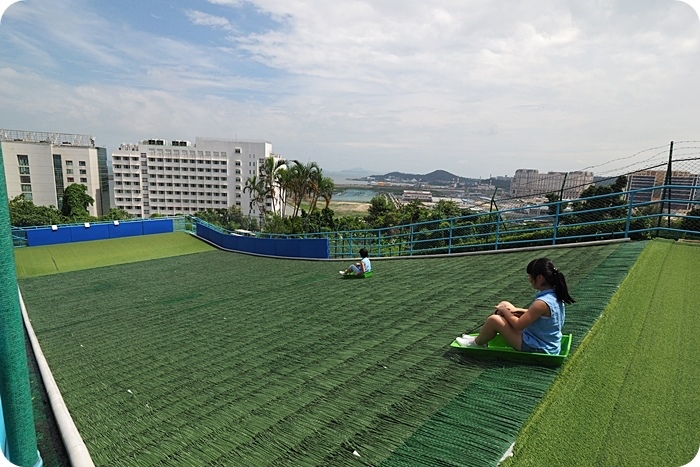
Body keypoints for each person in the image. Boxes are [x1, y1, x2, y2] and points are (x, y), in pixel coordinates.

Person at [455, 257, 575, 355]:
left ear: (539, 278)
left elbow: (518, 325)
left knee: (494, 320)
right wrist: (514, 310)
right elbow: (539, 315)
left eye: (530, 275)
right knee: (505, 304)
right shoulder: (554, 295)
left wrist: (505, 312)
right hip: (542, 340)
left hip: (539, 346)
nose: (529, 279)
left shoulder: (541, 303)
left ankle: (477, 343)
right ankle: (481, 338)